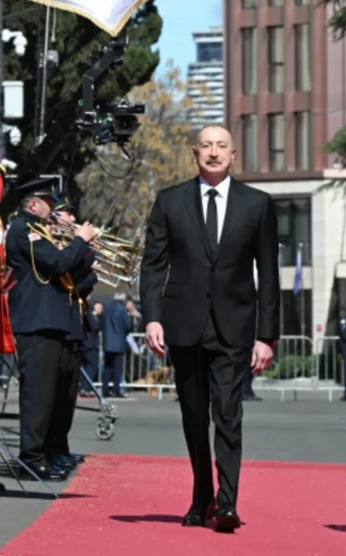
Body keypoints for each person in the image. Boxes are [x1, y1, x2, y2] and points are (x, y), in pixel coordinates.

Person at [139, 124, 278, 534]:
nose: (213, 153)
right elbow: (153, 265)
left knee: (229, 413)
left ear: (234, 154)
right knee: (194, 415)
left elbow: (269, 274)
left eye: (221, 146)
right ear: (195, 154)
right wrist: (152, 317)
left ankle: (228, 501)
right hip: (184, 325)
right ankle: (202, 495)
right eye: (206, 146)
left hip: (234, 327)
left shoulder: (257, 204)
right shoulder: (170, 201)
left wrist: (266, 336)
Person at [5, 178, 95, 480]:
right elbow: (57, 263)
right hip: (36, 321)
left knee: (51, 396)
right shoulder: (24, 230)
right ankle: (31, 457)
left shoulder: (38, 230)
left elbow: (68, 269)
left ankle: (45, 452)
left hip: (49, 321)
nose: (53, 210)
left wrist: (85, 249)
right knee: (37, 395)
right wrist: (79, 240)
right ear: (33, 204)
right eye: (49, 203)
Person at [101, 293, 131, 398]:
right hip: (119, 342)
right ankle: (116, 390)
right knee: (118, 368)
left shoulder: (106, 309)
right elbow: (127, 326)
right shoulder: (122, 310)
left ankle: (105, 390)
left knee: (107, 367)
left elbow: (102, 324)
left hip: (107, 342)